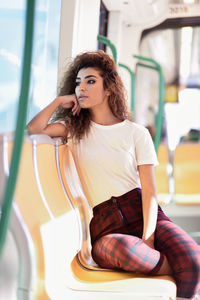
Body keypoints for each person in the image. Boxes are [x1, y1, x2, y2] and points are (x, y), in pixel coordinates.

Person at [28, 50, 200, 299]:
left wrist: (148, 239)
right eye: (78, 83)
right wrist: (57, 102)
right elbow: (34, 129)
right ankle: (179, 268)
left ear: (108, 88)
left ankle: (185, 269)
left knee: (194, 262)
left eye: (90, 81)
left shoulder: (136, 133)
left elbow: (150, 193)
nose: (81, 88)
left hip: (143, 212)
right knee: (122, 250)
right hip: (106, 225)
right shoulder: (73, 130)